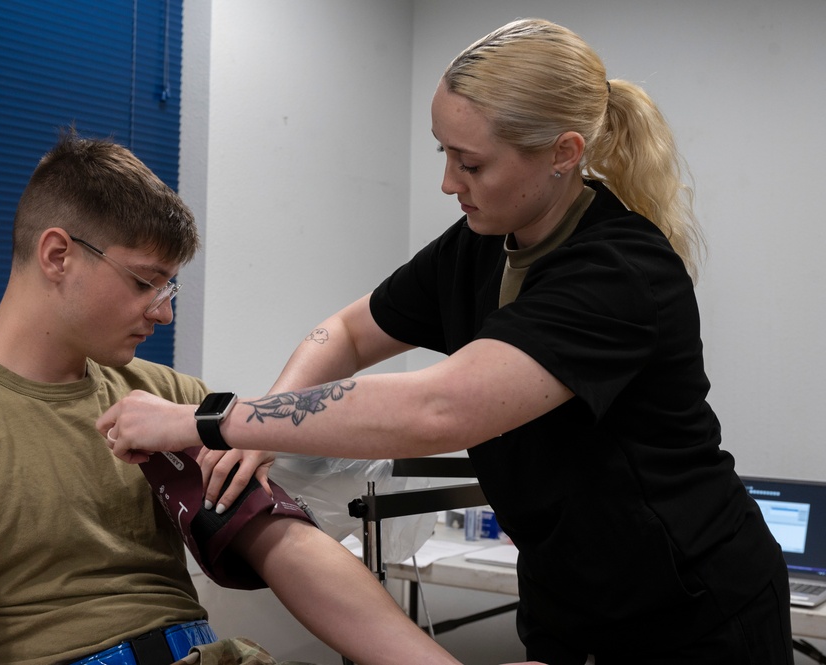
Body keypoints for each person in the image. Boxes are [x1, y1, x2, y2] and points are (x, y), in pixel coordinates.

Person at [97, 18, 795, 665]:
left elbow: (440, 409)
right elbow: (343, 331)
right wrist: (268, 419)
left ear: (564, 153)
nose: (446, 181)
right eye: (444, 152)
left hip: (692, 610)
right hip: (569, 601)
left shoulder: (620, 271)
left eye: (471, 163)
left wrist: (211, 418)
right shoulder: (479, 244)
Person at [0, 131, 467, 665]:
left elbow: (287, 549)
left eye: (172, 289)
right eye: (145, 282)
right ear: (57, 254)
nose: (162, 314)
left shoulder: (171, 403)